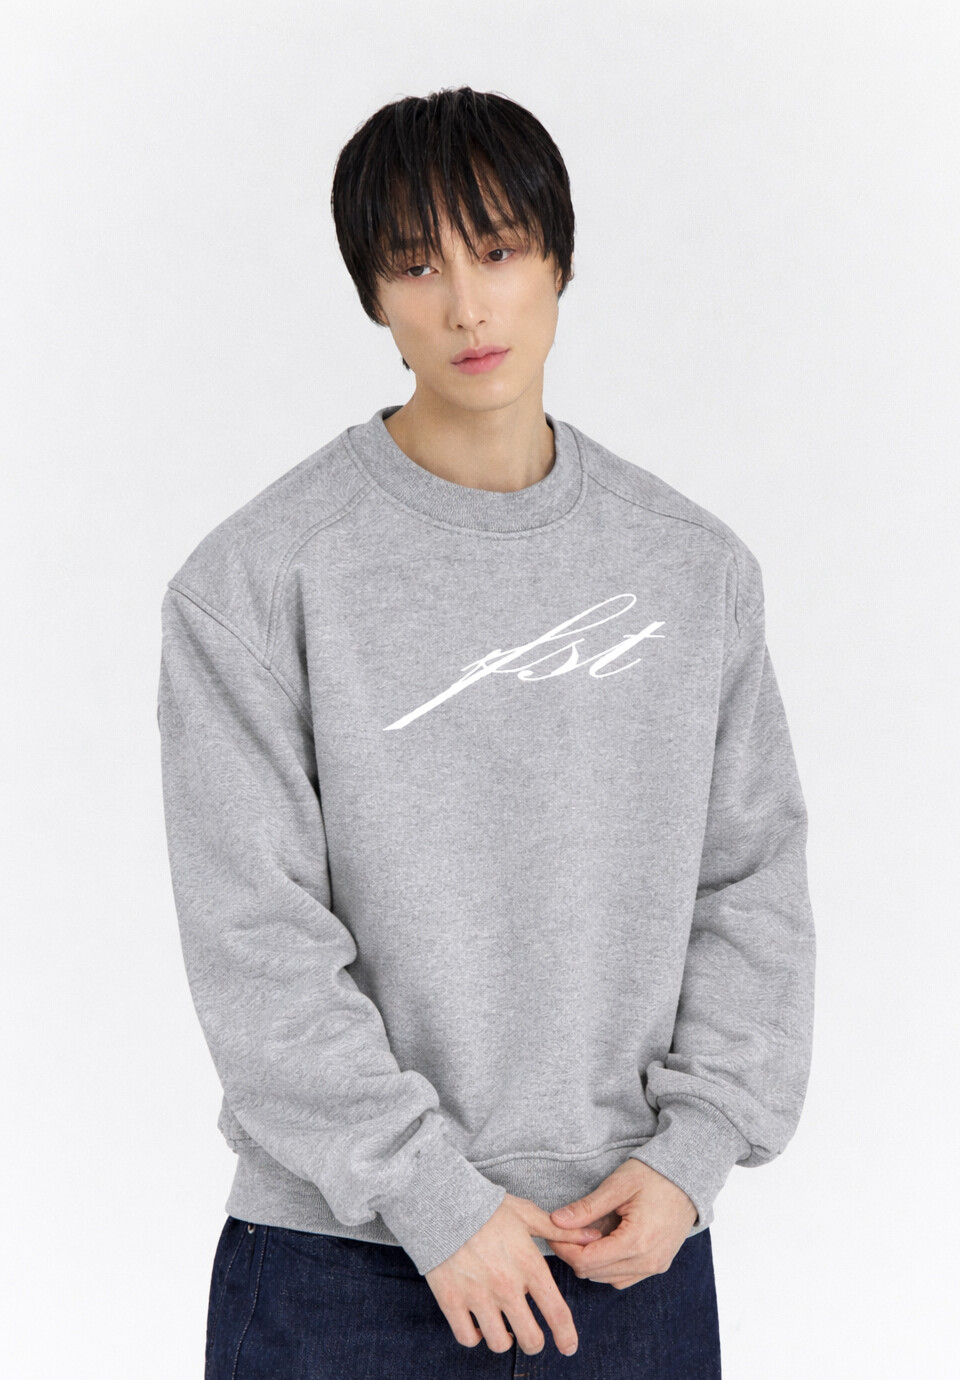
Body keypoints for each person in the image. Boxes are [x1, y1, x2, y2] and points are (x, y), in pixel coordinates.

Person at [157, 85, 816, 1378]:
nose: (466, 305)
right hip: (341, 1266)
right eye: (418, 265)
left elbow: (751, 883)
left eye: (500, 250)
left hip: (625, 1249)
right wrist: (433, 1198)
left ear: (559, 259)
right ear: (372, 294)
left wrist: (691, 1158)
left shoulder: (690, 571)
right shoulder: (257, 582)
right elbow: (254, 935)